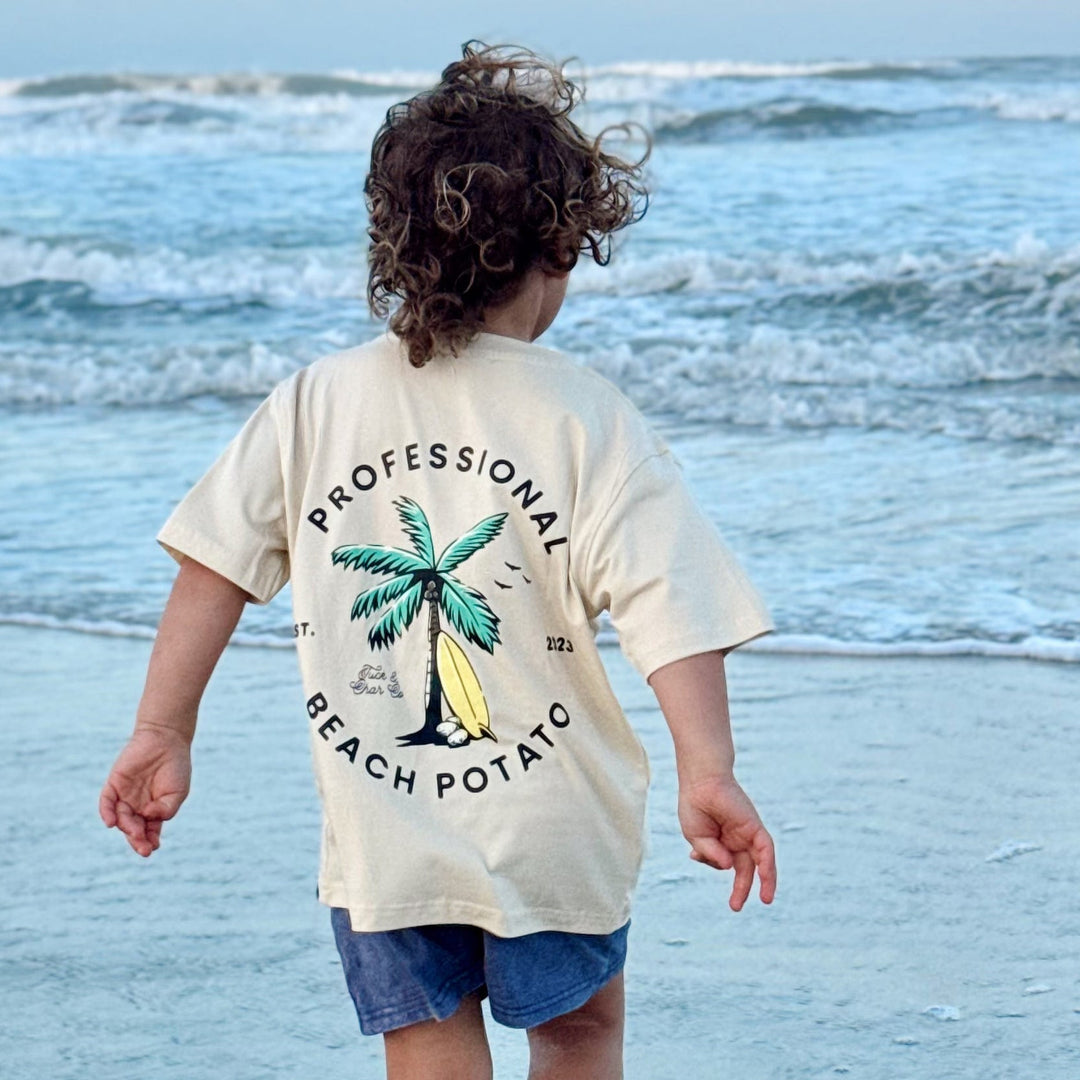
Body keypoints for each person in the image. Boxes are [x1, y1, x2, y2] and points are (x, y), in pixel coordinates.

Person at [99, 40, 778, 1080]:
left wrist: (161, 729)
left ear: (393, 246)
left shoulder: (314, 402)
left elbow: (213, 568)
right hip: (553, 827)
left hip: (385, 826)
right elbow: (671, 604)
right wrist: (709, 769)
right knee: (580, 1034)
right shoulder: (587, 415)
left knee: (426, 1040)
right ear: (560, 251)